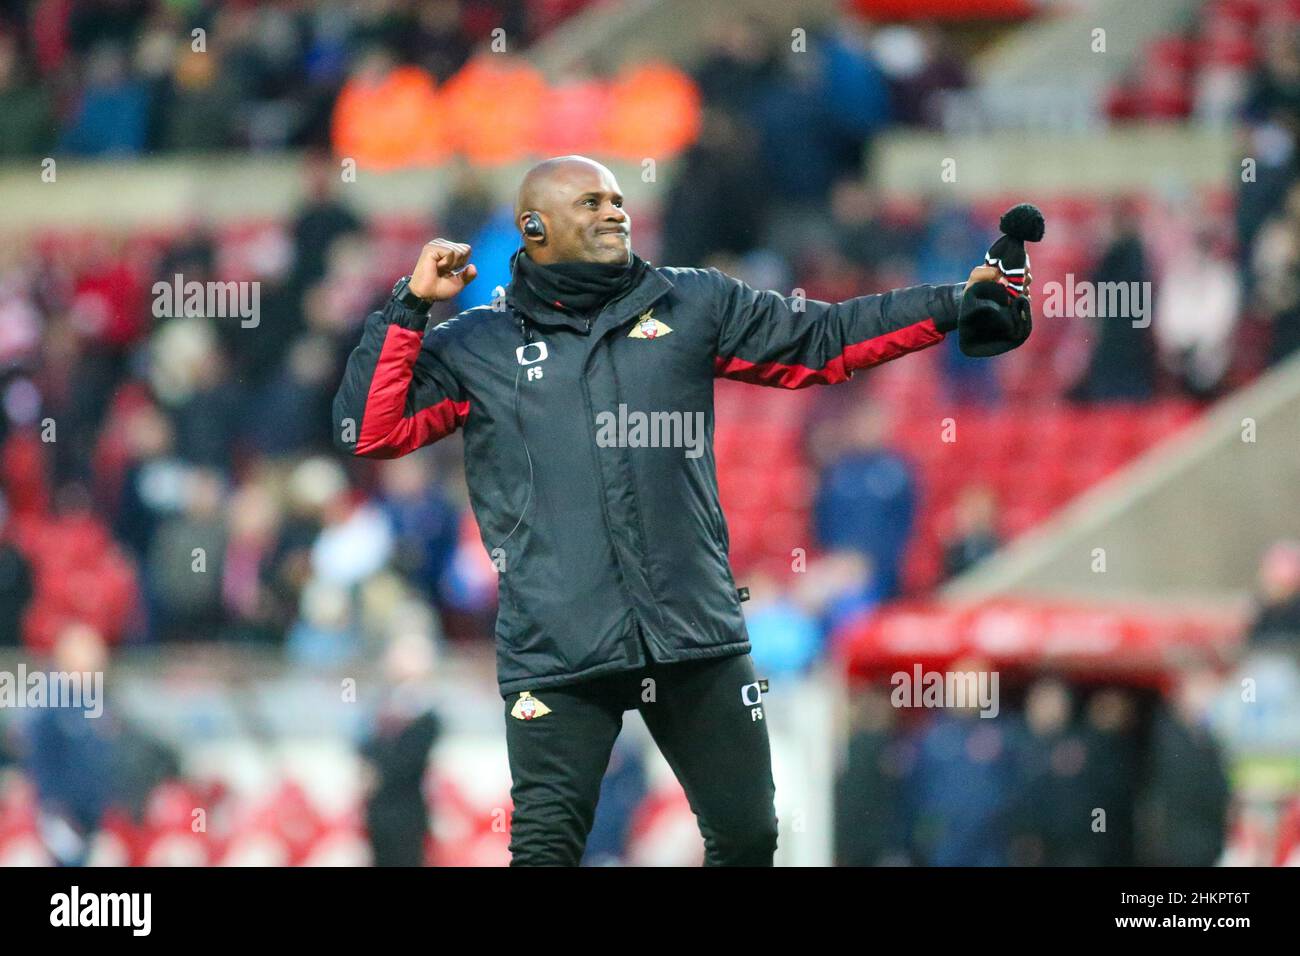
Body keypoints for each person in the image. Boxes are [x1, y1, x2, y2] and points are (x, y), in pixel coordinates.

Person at [333, 155, 1034, 866]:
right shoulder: (476, 345)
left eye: (616, 199)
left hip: (692, 632)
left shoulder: (690, 302)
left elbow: (823, 341)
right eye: (591, 202)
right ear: (535, 227)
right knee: (545, 852)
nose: (615, 212)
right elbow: (369, 430)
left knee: (749, 838)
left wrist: (953, 301)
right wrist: (410, 306)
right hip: (557, 647)